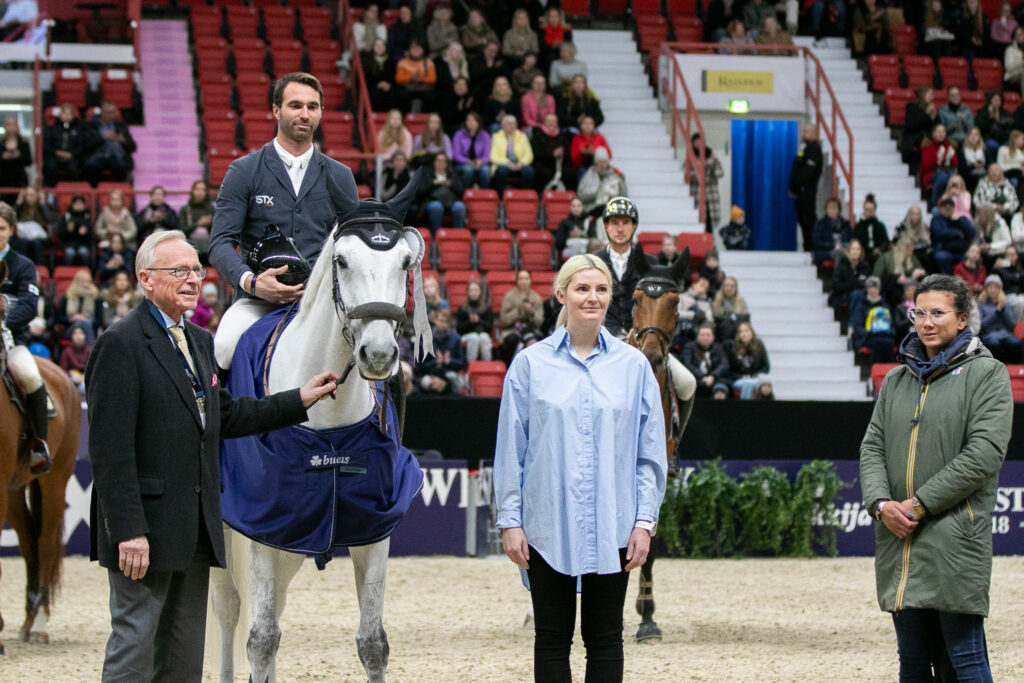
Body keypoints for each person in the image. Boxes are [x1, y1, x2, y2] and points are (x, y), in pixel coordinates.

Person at [85, 230, 339, 681]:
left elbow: (228, 416)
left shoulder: (200, 342)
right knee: (135, 651)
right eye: (178, 271)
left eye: (196, 271)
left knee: (184, 660)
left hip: (195, 529)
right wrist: (128, 531)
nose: (192, 280)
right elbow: (110, 451)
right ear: (145, 278)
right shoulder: (120, 344)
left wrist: (298, 399)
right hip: (142, 534)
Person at [493, 254, 666, 683]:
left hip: (615, 526)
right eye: (583, 288)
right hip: (545, 528)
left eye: (601, 289)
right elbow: (510, 450)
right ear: (561, 295)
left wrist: (644, 521)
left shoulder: (634, 367)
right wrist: (511, 521)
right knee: (551, 639)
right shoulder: (529, 365)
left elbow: (649, 454)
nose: (593, 297)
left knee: (606, 638)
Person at [860, 274, 1012, 682]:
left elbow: (984, 454)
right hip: (900, 541)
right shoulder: (895, 380)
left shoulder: (988, 374)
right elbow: (872, 446)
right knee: (911, 663)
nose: (926, 322)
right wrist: (880, 505)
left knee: (964, 660)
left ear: (963, 319)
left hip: (953, 539)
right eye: (919, 312)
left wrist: (917, 504)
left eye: (938, 313)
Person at [209, 73, 359, 370]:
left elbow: (352, 244)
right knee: (223, 347)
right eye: (296, 105)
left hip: (324, 303)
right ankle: (220, 417)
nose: (305, 114)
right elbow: (219, 243)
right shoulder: (244, 170)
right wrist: (252, 283)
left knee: (379, 354)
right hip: (258, 301)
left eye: (313, 107)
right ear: (276, 110)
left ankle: (384, 418)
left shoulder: (341, 176)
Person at [0, 201, 50, 473]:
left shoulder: (23, 266)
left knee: (29, 375)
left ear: (11, 230)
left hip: (11, 341)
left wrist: (3, 321)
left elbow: (29, 307)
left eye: (1, 228)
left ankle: (39, 443)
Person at [82, 99, 136, 184]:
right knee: (92, 166)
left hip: (117, 156)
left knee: (122, 166)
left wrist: (122, 140)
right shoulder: (91, 126)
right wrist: (101, 137)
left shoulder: (121, 126)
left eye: (112, 112)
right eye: (107, 112)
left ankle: (119, 190)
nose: (110, 115)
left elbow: (133, 147)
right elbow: (85, 145)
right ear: (102, 112)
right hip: (97, 155)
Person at [789, 124, 823, 253]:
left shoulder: (814, 150)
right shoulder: (804, 149)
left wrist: (797, 187)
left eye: (807, 131)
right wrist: (793, 188)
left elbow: (807, 173)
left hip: (806, 192)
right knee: (802, 220)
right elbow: (797, 168)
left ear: (814, 133)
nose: (804, 134)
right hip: (799, 193)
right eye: (803, 131)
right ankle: (807, 245)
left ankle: (811, 247)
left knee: (808, 220)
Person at [850, 276, 896, 362]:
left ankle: (888, 372)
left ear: (879, 289)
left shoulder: (885, 306)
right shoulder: (861, 306)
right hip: (867, 337)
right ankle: (875, 372)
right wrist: (869, 332)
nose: (873, 290)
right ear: (867, 289)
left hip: (884, 335)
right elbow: (857, 326)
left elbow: (891, 324)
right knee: (878, 343)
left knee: (888, 342)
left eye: (876, 288)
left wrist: (890, 332)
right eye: (871, 287)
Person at [978, 273, 1022, 361]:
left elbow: (1012, 325)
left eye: (996, 287)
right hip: (989, 335)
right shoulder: (981, 304)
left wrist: (1003, 310)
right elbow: (981, 325)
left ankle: (1015, 369)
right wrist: (996, 312)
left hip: (1006, 335)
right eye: (990, 287)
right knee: (994, 344)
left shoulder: (1006, 304)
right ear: (986, 289)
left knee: (1015, 343)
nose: (993, 290)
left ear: (1000, 289)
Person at [418, 152, 465, 232]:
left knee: (460, 206)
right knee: (436, 207)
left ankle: (458, 233)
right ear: (434, 162)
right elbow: (420, 192)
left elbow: (461, 190)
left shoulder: (452, 174)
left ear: (447, 164)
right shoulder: (427, 174)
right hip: (432, 201)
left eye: (443, 161)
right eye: (438, 161)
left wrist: (451, 184)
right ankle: (436, 234)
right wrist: (433, 183)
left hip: (451, 201)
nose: (441, 163)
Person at [681, 323, 731, 398]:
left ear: (713, 337)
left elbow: (724, 364)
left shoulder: (719, 348)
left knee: (721, 388)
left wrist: (713, 376)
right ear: (697, 336)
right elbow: (687, 364)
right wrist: (702, 376)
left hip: (716, 379)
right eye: (703, 335)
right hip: (695, 379)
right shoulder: (689, 347)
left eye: (708, 335)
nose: (705, 337)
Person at [490, 114, 534, 195]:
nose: (511, 125)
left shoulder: (522, 136)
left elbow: (529, 155)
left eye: (513, 123)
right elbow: (493, 156)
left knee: (528, 171)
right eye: (508, 123)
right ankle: (500, 196)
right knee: (501, 170)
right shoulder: (496, 137)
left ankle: (522, 196)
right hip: (504, 164)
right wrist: (507, 163)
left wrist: (521, 163)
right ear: (503, 126)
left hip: (519, 163)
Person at [42, 102, 85, 186]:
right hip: (55, 155)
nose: (67, 116)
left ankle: (73, 190)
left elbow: (82, 145)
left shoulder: (79, 129)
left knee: (74, 168)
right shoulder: (52, 129)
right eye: (65, 113)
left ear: (73, 115)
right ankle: (50, 191)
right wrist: (56, 152)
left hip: (72, 156)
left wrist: (72, 154)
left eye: (69, 114)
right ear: (60, 115)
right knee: (50, 166)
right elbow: (46, 145)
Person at [930, 196, 977, 274]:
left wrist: (959, 220)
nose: (948, 210)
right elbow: (939, 233)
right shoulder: (936, 219)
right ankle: (947, 281)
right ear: (940, 209)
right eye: (945, 207)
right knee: (941, 257)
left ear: (954, 209)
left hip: (962, 251)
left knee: (976, 258)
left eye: (950, 207)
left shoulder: (961, 219)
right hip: (944, 249)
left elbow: (971, 233)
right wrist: (957, 233)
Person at [726, 321, 770, 399]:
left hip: (755, 378)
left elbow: (766, 367)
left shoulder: (759, 345)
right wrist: (741, 376)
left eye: (746, 331)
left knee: (759, 384)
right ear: (738, 335)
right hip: (738, 379)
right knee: (748, 384)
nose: (744, 334)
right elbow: (729, 369)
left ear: (752, 332)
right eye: (741, 332)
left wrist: (753, 376)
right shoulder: (732, 347)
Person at [691, 135, 725, 234]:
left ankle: (709, 245)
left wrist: (710, 162)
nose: (698, 144)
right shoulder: (691, 157)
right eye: (696, 142)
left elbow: (720, 173)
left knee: (710, 225)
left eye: (700, 141)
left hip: (711, 198)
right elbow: (690, 175)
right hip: (697, 196)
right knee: (698, 225)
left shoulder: (711, 156)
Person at [577, 148, 626, 216]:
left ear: (608, 162)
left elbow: (624, 198)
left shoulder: (615, 176)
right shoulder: (588, 176)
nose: (602, 165)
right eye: (600, 162)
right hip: (592, 210)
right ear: (596, 163)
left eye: (604, 162)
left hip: (613, 211)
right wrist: (597, 192)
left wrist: (621, 187)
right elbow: (581, 196)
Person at [920, 123, 959, 207]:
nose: (941, 134)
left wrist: (950, 157)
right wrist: (937, 159)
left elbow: (955, 164)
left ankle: (954, 203)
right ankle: (935, 202)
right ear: (933, 133)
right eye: (938, 131)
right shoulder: (927, 147)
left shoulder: (950, 146)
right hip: (932, 173)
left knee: (954, 178)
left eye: (943, 131)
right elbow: (926, 165)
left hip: (948, 171)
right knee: (942, 177)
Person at [456, 279, 494, 362]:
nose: (474, 293)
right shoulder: (462, 308)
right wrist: (470, 322)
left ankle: (487, 364)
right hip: (467, 335)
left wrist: (478, 320)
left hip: (482, 334)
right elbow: (459, 329)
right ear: (468, 292)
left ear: (480, 292)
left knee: (484, 337)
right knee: (474, 338)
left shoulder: (487, 308)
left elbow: (490, 327)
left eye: (476, 290)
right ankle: (471, 364)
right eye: (471, 290)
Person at [394, 40, 437, 113]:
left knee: (431, 97)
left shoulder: (429, 62)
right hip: (408, 89)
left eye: (418, 48)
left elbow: (433, 79)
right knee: (401, 96)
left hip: (424, 89)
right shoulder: (402, 62)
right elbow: (398, 79)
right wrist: (411, 78)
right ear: (409, 50)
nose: (416, 50)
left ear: (422, 50)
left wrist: (422, 79)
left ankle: (425, 118)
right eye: (413, 48)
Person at [531, 112, 569, 192]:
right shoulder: (537, 134)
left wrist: (562, 153)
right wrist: (552, 155)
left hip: (559, 164)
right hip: (542, 163)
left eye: (554, 121)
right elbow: (536, 154)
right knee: (543, 173)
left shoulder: (563, 136)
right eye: (548, 121)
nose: (551, 123)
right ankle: (541, 197)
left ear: (557, 123)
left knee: (568, 173)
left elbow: (568, 153)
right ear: (544, 123)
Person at [452, 112, 491, 190]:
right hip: (462, 164)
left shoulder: (485, 136)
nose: (470, 122)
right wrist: (469, 162)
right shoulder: (458, 135)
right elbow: (456, 155)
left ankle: (483, 194)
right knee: (468, 170)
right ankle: (464, 193)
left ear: (478, 123)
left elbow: (487, 156)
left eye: (473, 120)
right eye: (468, 120)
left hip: (479, 163)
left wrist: (480, 161)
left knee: (486, 170)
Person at [811, 196, 853, 265]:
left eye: (834, 208)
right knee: (838, 253)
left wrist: (843, 245)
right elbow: (816, 242)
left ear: (839, 210)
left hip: (843, 249)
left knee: (852, 252)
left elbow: (851, 239)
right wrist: (833, 246)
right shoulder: (821, 224)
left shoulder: (845, 224)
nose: (831, 210)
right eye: (829, 208)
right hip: (825, 252)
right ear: (826, 209)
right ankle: (838, 275)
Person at [0, 116, 31, 204]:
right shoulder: (1, 143)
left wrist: (18, 156)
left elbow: (29, 161)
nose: (11, 127)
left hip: (19, 177)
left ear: (17, 126)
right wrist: (3, 157)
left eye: (13, 124)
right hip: (3, 177)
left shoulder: (23, 143)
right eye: (8, 124)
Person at [569, 115, 610, 181]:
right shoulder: (576, 138)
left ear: (594, 126)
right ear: (580, 126)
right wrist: (583, 152)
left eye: (590, 123)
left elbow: (608, 154)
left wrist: (595, 151)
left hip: (599, 166)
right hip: (583, 166)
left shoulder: (600, 137)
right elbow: (573, 158)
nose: (587, 125)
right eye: (585, 123)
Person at [853, 194, 889, 264]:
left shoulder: (880, 225)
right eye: (866, 210)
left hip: (877, 254)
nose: (868, 212)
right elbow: (855, 240)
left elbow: (886, 241)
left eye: (870, 210)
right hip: (862, 253)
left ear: (874, 210)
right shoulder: (858, 226)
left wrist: (879, 249)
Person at [59, 322, 91, 395]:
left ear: (85, 336)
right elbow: (63, 370)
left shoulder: (90, 351)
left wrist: (84, 377)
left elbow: (94, 369)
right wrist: (73, 376)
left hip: (87, 381)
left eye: (81, 333)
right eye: (75, 333)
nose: (78, 336)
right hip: (71, 382)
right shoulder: (66, 351)